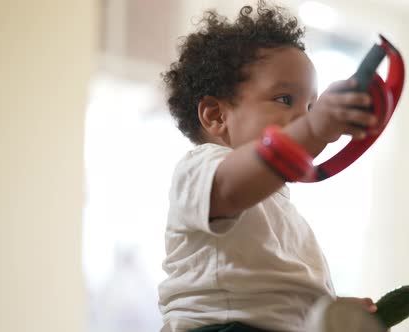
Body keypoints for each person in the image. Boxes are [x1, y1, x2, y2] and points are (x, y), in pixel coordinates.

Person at [157, 1, 384, 332]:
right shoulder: (203, 167)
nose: (305, 117)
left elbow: (278, 297)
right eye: (285, 100)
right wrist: (313, 129)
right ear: (216, 115)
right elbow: (231, 189)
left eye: (311, 106)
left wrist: (326, 310)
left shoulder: (278, 204)